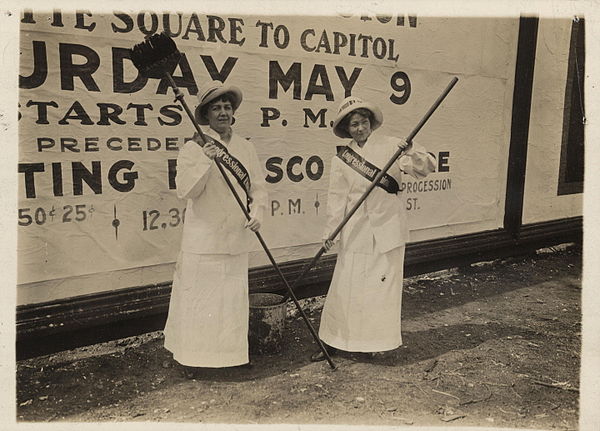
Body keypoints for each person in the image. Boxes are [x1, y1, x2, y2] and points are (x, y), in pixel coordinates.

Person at [310, 96, 436, 362]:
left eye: (363, 122)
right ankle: (333, 340)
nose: (359, 128)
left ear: (371, 123)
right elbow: (336, 198)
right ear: (347, 129)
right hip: (356, 230)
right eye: (353, 124)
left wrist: (411, 149)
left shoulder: (393, 145)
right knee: (346, 285)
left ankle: (371, 343)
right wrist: (329, 232)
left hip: (388, 229)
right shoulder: (342, 158)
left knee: (380, 291)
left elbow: (427, 168)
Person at [164, 81, 267, 377]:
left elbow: (258, 188)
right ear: (205, 115)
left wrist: (257, 212)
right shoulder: (192, 147)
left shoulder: (246, 147)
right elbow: (186, 191)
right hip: (204, 239)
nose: (222, 112)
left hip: (235, 236)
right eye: (216, 108)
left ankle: (232, 357)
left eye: (227, 107)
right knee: (201, 302)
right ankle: (195, 359)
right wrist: (206, 162)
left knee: (231, 303)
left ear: (233, 113)